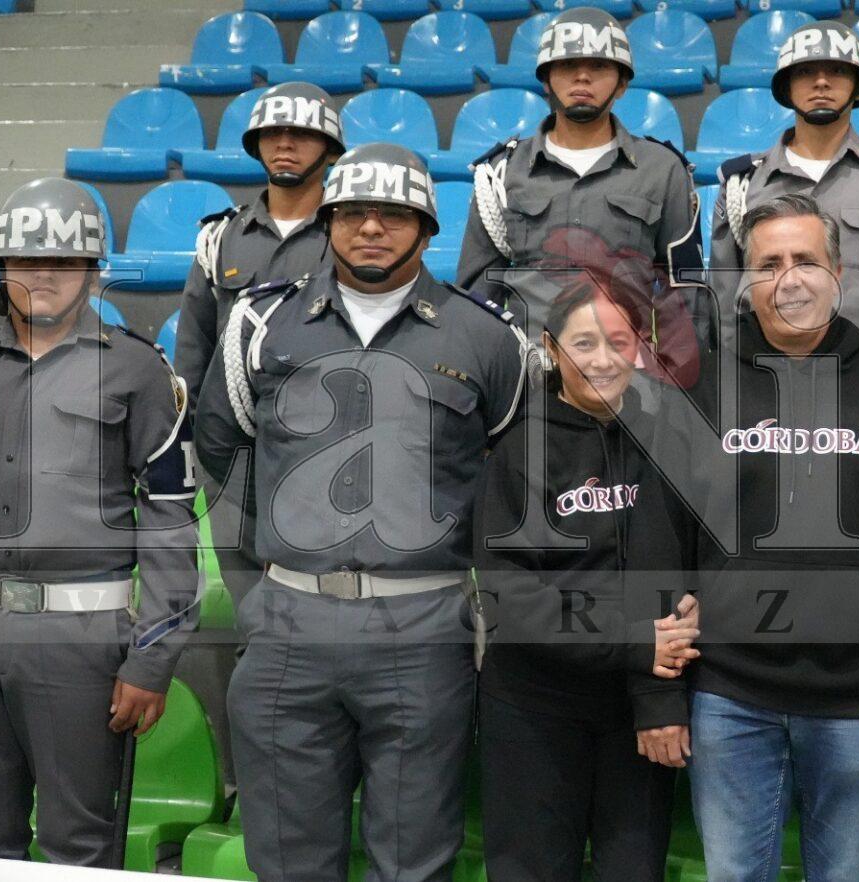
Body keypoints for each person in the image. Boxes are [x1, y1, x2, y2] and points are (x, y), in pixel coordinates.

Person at [194, 143, 529, 882]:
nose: (370, 228)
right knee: (287, 858)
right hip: (288, 622)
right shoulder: (261, 322)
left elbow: (509, 474)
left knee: (413, 856)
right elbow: (224, 456)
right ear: (328, 222)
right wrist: (275, 577)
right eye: (352, 213)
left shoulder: (488, 335)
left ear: (427, 229)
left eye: (393, 215)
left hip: (424, 627)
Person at [673, 193, 859, 882]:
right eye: (768, 264)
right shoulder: (700, 387)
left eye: (805, 260)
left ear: (838, 273)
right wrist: (659, 687)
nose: (788, 279)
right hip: (728, 695)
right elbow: (663, 536)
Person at [0, 178, 199, 866]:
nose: (43, 276)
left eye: (63, 262)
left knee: (79, 847)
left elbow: (170, 521)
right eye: (26, 260)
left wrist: (152, 658)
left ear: (94, 272)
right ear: (0, 269)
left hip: (79, 638)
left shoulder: (139, 371)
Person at [473, 273, 701, 882]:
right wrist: (632, 640)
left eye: (619, 342)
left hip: (634, 710)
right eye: (583, 343)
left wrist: (698, 613)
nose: (603, 360)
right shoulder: (519, 451)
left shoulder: (668, 441)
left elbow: (693, 564)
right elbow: (509, 597)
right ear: (551, 348)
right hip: (534, 708)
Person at [177, 81, 344, 607]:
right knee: (250, 601)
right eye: (272, 134)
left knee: (324, 594)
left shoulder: (353, 233)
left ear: (330, 149)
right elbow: (194, 351)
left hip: (324, 445)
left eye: (301, 134)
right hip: (231, 454)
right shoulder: (219, 239)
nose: (284, 144)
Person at [457, 8, 703, 337]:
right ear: (546, 80)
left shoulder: (663, 168)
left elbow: (685, 291)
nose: (582, 77)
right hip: (527, 359)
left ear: (622, 84)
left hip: (625, 360)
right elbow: (477, 296)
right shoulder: (501, 172)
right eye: (568, 65)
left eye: (598, 66)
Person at [710, 21, 859, 355]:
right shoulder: (742, 182)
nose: (821, 82)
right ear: (786, 87)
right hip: (761, 368)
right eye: (805, 71)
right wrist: (735, 367)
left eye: (837, 71)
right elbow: (724, 291)